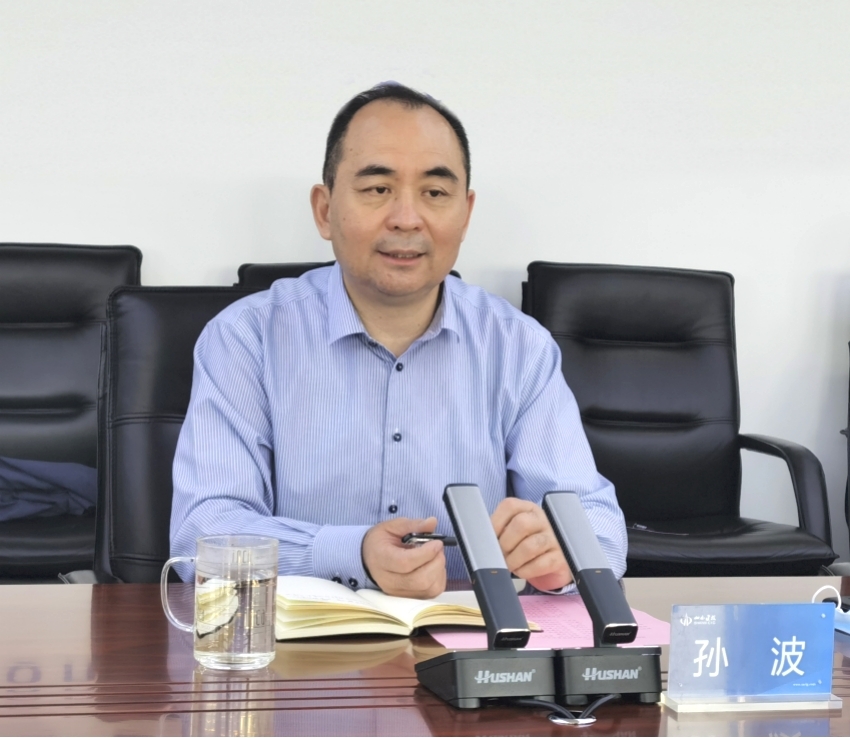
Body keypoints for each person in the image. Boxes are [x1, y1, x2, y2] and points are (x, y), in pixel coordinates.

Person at [170, 82, 626, 597]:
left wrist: (561, 552)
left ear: (466, 213)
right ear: (324, 209)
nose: (407, 219)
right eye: (377, 189)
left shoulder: (519, 347)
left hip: (471, 638)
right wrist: (353, 553)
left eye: (435, 193)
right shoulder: (245, 339)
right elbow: (202, 538)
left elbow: (601, 529)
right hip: (300, 641)